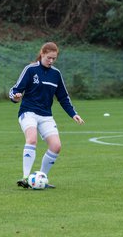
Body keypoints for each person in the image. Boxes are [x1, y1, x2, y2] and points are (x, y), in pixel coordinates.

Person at [9, 42, 84, 189]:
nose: (51, 61)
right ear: (42, 54)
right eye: (49, 57)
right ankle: (25, 177)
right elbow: (15, 90)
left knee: (56, 146)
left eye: (54, 59)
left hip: (45, 115)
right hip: (28, 112)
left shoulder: (56, 74)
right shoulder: (30, 69)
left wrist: (73, 114)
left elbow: (63, 97)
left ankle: (40, 178)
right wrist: (15, 97)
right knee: (31, 139)